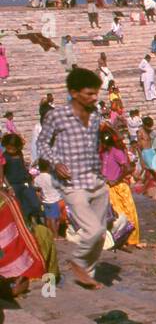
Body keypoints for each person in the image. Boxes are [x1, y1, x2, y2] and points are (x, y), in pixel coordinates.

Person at [35, 68, 107, 289]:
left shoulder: (95, 115)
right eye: (89, 93)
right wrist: (56, 163)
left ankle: (87, 272)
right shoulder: (56, 115)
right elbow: (42, 144)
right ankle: (77, 262)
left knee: (101, 234)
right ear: (74, 93)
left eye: (96, 93)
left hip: (95, 179)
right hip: (72, 182)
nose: (95, 98)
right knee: (92, 230)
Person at [99, 126, 140, 248]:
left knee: (128, 212)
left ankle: (131, 240)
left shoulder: (117, 153)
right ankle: (117, 238)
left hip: (119, 187)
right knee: (113, 214)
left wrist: (116, 179)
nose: (102, 145)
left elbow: (127, 168)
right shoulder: (103, 153)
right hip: (107, 187)